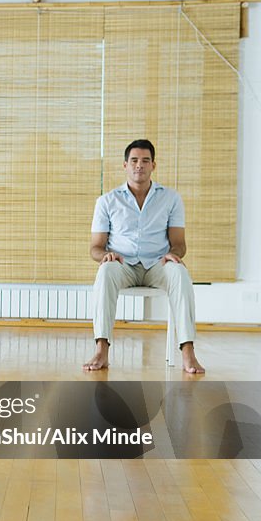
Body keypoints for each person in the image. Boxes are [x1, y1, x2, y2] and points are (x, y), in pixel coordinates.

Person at [82, 139, 205, 374]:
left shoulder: (171, 199)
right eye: (134, 160)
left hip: (158, 263)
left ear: (153, 165)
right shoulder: (107, 201)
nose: (140, 165)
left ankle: (188, 353)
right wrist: (105, 256)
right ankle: (101, 350)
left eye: (145, 160)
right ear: (125, 165)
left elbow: (179, 244)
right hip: (122, 264)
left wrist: (174, 255)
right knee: (105, 271)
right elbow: (95, 247)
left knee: (180, 271)